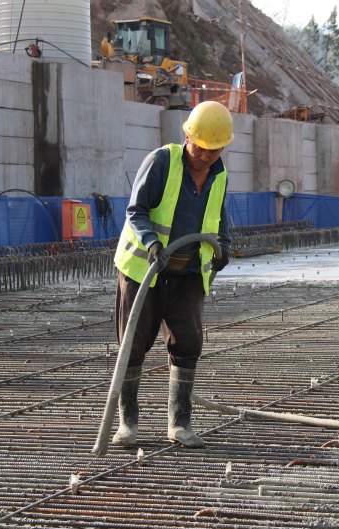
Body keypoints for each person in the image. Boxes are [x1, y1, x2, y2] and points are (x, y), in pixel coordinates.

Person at [112, 100, 233, 449]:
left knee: (188, 344)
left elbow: (219, 217)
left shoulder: (219, 174)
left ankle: (179, 424)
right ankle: (127, 424)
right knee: (132, 345)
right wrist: (151, 243)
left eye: (214, 150)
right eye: (200, 147)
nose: (205, 156)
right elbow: (136, 210)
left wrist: (223, 246)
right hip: (144, 271)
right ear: (187, 136)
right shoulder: (162, 162)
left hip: (189, 273)